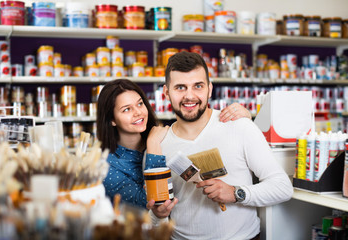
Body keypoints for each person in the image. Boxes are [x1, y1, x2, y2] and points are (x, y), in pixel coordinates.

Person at [147, 51, 293, 240]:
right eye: (180, 87)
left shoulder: (239, 125)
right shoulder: (159, 145)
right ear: (166, 92)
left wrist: (235, 193)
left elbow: (282, 188)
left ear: (209, 88)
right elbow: (155, 221)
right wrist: (158, 215)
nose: (189, 96)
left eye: (198, 86)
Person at [96, 79, 251, 208]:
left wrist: (242, 120)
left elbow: (206, 140)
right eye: (126, 109)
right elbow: (152, 202)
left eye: (140, 103)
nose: (138, 112)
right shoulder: (106, 167)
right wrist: (153, 146)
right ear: (111, 120)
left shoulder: (165, 135)